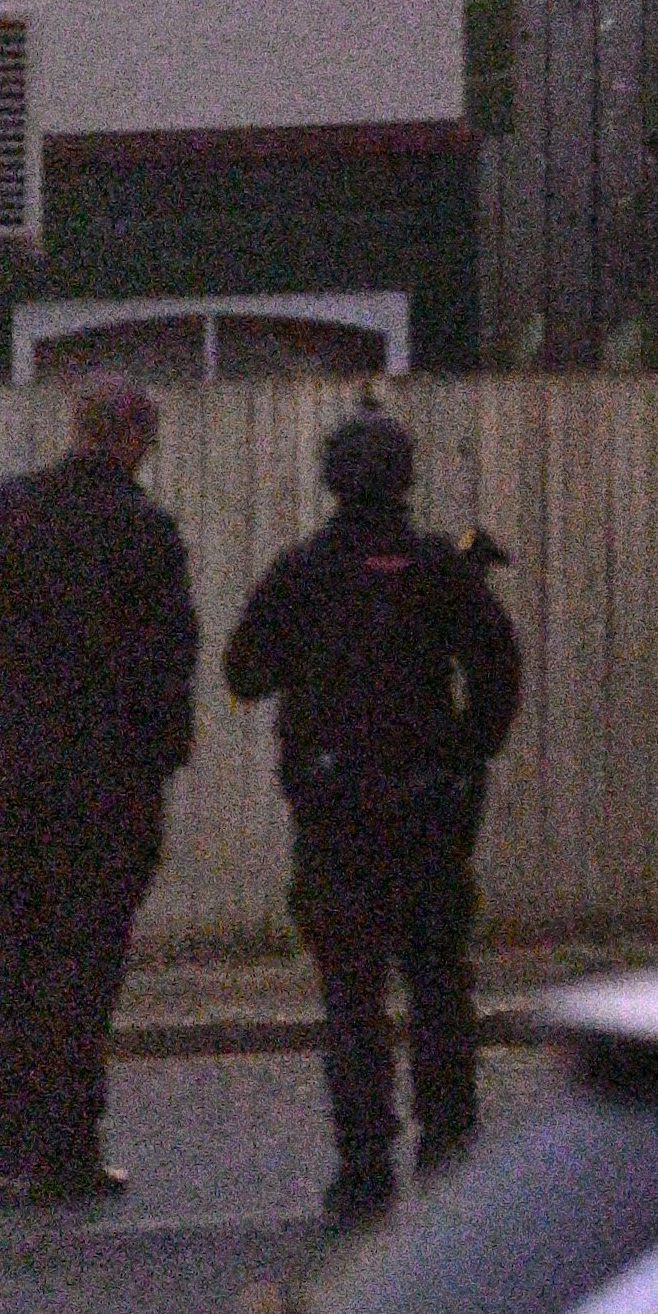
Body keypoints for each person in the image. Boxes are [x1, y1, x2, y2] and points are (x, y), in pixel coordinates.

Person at [224, 412, 522, 1227]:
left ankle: (363, 1172)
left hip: (338, 813)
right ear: (405, 477)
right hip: (428, 809)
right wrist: (467, 753)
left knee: (352, 999)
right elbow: (498, 667)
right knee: (438, 988)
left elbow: (243, 673)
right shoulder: (442, 569)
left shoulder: (303, 573)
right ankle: (449, 1159)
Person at [0, 379, 199, 1207]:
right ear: (134, 440)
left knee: (20, 950)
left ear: (77, 429)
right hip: (109, 784)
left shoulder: (9, 511)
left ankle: (1, 1138)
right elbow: (170, 664)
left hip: (19, 775)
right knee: (85, 969)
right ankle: (67, 1147)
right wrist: (162, 758)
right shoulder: (146, 534)